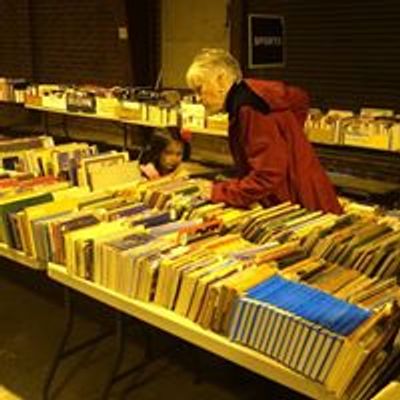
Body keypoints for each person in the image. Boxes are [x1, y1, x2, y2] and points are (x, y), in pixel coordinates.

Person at [186, 48, 342, 214]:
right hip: (304, 188)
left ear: (221, 80)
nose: (198, 98)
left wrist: (219, 192)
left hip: (297, 201)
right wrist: (289, 139)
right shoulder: (256, 92)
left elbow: (268, 175)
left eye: (199, 89)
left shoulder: (250, 107)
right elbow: (299, 97)